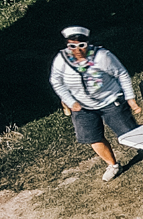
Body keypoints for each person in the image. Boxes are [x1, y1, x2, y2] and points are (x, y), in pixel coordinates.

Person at [49, 26, 138, 180]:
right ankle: (113, 165)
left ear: (87, 43)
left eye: (81, 45)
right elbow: (56, 82)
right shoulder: (61, 60)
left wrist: (130, 98)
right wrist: (70, 101)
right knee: (92, 137)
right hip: (82, 106)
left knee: (130, 133)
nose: (77, 49)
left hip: (110, 100)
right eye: (72, 46)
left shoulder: (103, 56)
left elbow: (122, 74)